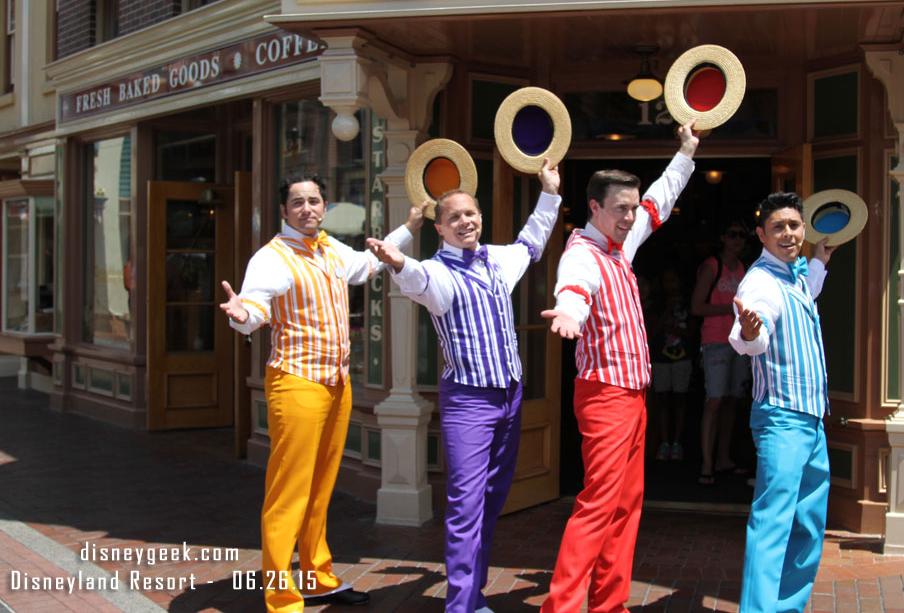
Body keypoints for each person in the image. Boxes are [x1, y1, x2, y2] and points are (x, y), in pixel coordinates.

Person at [219, 173, 423, 613]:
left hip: (336, 383)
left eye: (314, 201)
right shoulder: (270, 258)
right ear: (283, 211)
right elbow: (254, 308)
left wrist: (409, 228)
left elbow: (370, 264)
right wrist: (240, 314)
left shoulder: (331, 249)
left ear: (324, 207)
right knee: (289, 490)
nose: (307, 208)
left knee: (320, 487)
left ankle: (316, 577)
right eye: (298, 202)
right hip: (295, 382)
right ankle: (281, 595)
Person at [366, 158, 561, 613]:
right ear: (439, 227)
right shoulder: (437, 273)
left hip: (510, 398)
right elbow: (417, 280)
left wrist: (549, 192)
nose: (465, 221)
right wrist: (398, 263)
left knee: (491, 502)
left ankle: (473, 597)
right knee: (466, 507)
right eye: (453, 217)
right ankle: (461, 605)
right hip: (469, 403)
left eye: (470, 213)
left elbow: (532, 241)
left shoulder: (498, 259)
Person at [540, 121, 699, 613]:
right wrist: (568, 311)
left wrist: (687, 151)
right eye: (620, 209)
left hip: (633, 396)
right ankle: (561, 608)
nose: (631, 216)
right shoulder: (583, 252)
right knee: (597, 505)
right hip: (605, 396)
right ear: (594, 208)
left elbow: (659, 200)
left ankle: (609, 604)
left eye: (631, 208)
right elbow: (574, 287)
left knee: (626, 505)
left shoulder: (621, 242)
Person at [728, 192, 836, 613]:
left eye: (794, 226)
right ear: (761, 234)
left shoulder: (796, 275)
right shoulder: (760, 282)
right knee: (773, 523)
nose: (788, 234)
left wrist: (822, 257)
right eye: (778, 227)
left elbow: (810, 285)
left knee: (809, 524)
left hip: (811, 419)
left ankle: (786, 608)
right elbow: (748, 332)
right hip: (783, 419)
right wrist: (751, 332)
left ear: (804, 230)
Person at [691, 219, 750, 485]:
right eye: (733, 234)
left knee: (731, 400)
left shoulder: (744, 268)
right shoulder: (711, 266)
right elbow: (697, 307)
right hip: (715, 339)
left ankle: (724, 458)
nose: (738, 239)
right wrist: (731, 309)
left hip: (739, 340)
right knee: (714, 400)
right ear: (723, 238)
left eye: (742, 235)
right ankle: (707, 463)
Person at [648, 267, 695, 461]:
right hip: (661, 359)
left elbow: (692, 333)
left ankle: (677, 443)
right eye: (666, 281)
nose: (670, 285)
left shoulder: (689, 303)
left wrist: (669, 327)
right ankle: (664, 442)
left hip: (682, 358)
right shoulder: (657, 304)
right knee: (662, 400)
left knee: (679, 400)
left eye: (673, 280)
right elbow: (652, 332)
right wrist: (667, 310)